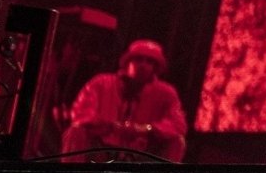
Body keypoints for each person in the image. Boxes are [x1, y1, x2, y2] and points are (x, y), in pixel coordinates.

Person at [60, 39, 188, 162]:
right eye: (138, 59)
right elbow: (81, 114)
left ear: (156, 68)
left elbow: (179, 125)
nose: (143, 65)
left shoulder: (166, 93)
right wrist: (109, 126)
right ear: (127, 62)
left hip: (141, 154)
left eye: (149, 62)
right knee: (75, 132)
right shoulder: (101, 83)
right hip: (102, 149)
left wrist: (147, 129)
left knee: (177, 141)